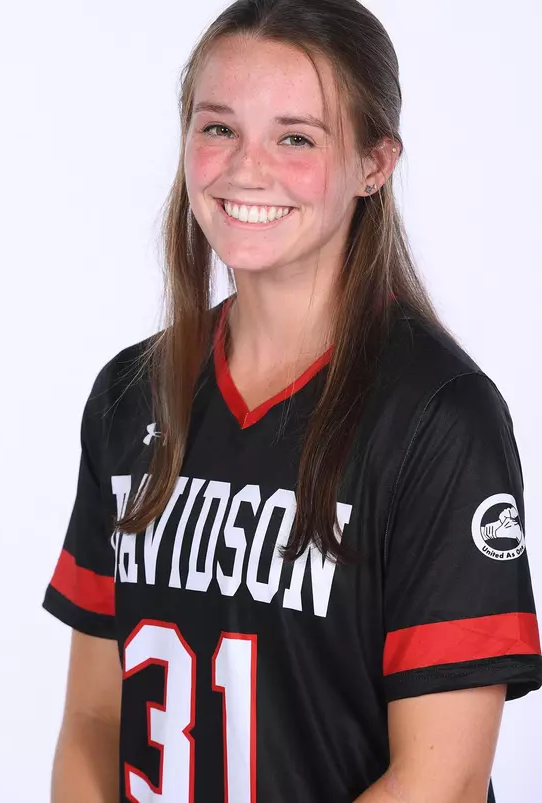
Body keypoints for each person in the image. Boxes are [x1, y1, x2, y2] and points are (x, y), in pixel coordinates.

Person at [42, 1, 542, 801]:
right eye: (218, 128)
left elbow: (439, 776)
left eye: (295, 137)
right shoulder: (128, 394)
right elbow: (95, 720)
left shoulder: (439, 417)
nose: (247, 168)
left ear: (374, 164)